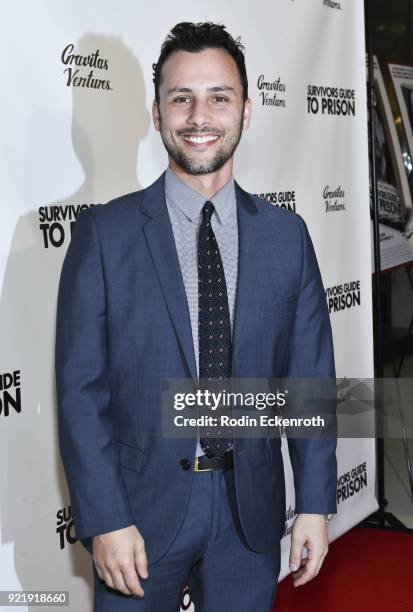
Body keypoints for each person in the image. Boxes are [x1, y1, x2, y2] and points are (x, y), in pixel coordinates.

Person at [55, 21, 337, 612]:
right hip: (138, 518)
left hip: (250, 517)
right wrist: (105, 518)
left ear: (247, 110)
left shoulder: (288, 238)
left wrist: (314, 502)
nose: (199, 115)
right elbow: (81, 394)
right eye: (180, 97)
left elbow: (307, 383)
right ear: (156, 114)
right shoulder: (103, 237)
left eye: (219, 97)